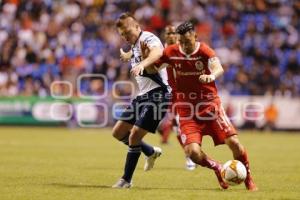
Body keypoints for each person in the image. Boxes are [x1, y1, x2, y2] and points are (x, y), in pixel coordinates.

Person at [142, 21, 258, 191]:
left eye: (187, 42)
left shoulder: (204, 50)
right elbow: (153, 70)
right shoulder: (171, 52)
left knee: (233, 142)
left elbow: (218, 68)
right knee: (193, 153)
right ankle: (218, 168)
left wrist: (211, 76)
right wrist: (147, 59)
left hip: (210, 106)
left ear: (195, 37)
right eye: (181, 42)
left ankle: (248, 178)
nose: (184, 46)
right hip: (186, 110)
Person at [112, 13, 170, 188]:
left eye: (128, 32)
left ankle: (126, 180)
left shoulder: (148, 37)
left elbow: (158, 52)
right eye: (122, 35)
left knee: (135, 134)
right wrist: (129, 57)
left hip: (159, 94)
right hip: (143, 96)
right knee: (118, 132)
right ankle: (150, 152)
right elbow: (137, 53)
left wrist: (141, 65)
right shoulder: (136, 44)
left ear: (137, 27)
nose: (126, 37)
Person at [157, 25, 196, 170]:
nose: (172, 35)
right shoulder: (160, 51)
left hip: (183, 93)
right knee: (176, 126)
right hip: (168, 94)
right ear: (165, 35)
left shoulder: (182, 50)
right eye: (169, 33)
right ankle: (191, 155)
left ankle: (191, 155)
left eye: (174, 33)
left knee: (180, 126)